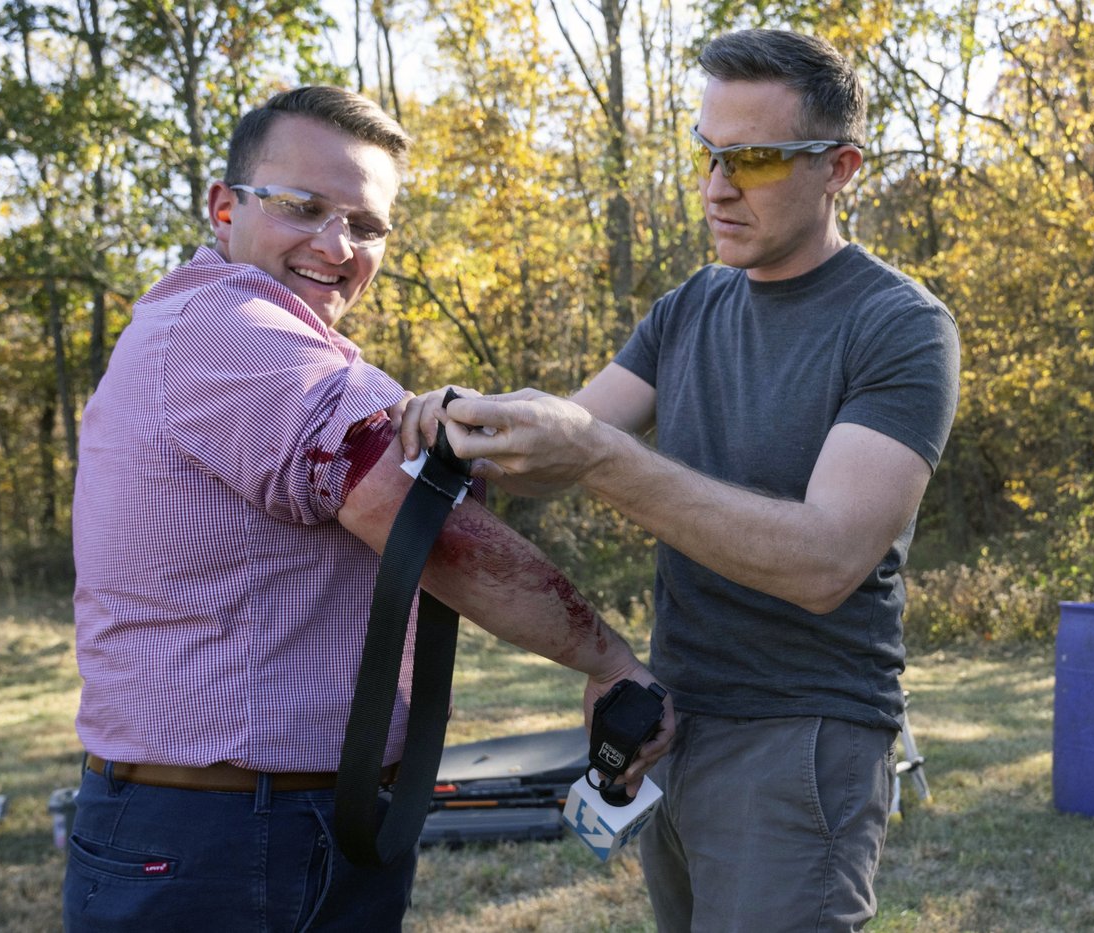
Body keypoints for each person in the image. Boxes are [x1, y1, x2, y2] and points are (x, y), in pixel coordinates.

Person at [64, 86, 673, 933]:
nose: (336, 245)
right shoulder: (232, 327)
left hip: (264, 823)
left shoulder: (229, 331)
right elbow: (425, 526)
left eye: (366, 224)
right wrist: (609, 661)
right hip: (229, 839)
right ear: (225, 207)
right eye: (303, 206)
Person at [401, 29, 960, 932]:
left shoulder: (899, 327)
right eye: (708, 152)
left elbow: (826, 562)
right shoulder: (690, 305)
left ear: (840, 168)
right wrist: (458, 422)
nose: (716, 187)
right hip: (666, 726)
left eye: (755, 159)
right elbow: (551, 447)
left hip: (801, 741)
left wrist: (599, 455)